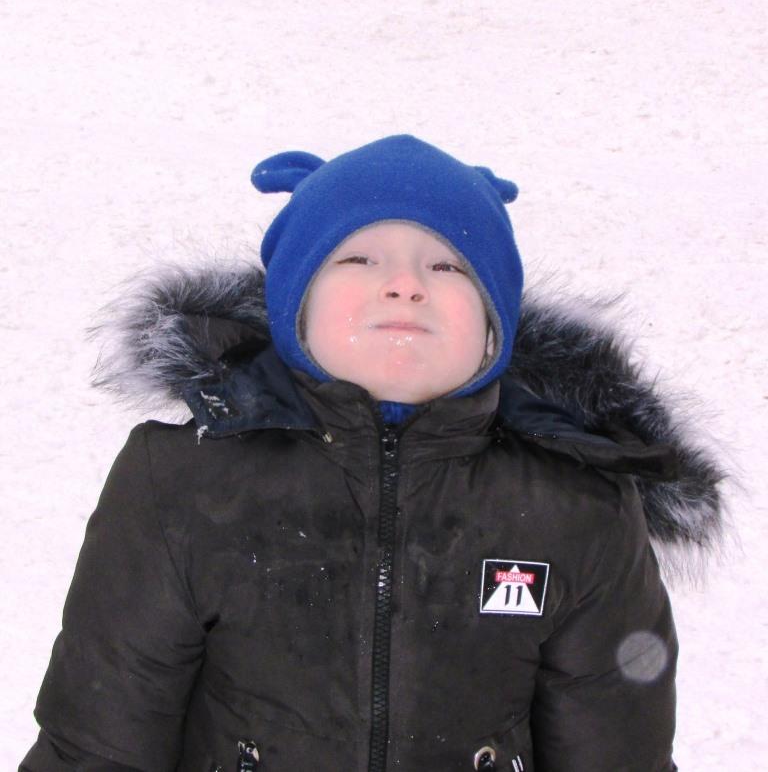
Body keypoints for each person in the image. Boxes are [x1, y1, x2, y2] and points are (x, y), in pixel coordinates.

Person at [20, 135, 724, 771]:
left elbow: (618, 753)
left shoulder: (580, 506)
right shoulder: (179, 483)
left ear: (494, 329)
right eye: (358, 257)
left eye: (448, 265)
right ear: (293, 308)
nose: (405, 284)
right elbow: (96, 746)